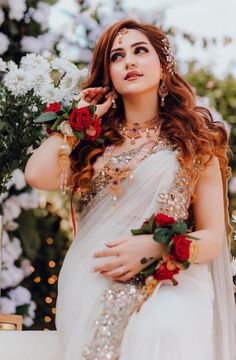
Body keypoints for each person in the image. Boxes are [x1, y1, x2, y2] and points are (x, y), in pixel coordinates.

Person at [24, 19, 236, 360]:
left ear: (163, 65)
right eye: (117, 56)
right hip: (95, 277)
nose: (129, 61)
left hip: (173, 275)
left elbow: (214, 237)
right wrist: (77, 119)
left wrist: (157, 246)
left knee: (163, 327)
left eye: (140, 51)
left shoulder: (195, 141)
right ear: (108, 74)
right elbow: (37, 174)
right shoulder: (94, 143)